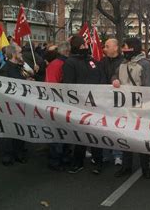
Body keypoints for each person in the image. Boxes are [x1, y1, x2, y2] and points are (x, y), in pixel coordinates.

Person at [112, 37, 150, 179]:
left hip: (140, 109)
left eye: (126, 47)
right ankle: (126, 166)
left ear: (133, 48)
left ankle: (145, 167)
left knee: (142, 139)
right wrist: (114, 80)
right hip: (125, 108)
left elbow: (149, 88)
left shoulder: (145, 65)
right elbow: (114, 75)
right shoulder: (122, 64)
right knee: (126, 138)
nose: (124, 50)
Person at [63, 36, 105, 175]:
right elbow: (69, 84)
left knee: (95, 134)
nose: (86, 46)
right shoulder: (70, 63)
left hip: (95, 104)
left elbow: (101, 77)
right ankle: (78, 162)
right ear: (78, 46)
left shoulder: (92, 60)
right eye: (84, 45)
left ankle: (98, 161)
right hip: (80, 106)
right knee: (80, 135)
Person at [0, 44, 30, 166]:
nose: (22, 54)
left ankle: (19, 153)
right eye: (20, 52)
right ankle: (7, 156)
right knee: (9, 131)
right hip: (10, 106)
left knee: (21, 130)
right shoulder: (5, 70)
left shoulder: (19, 67)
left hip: (21, 105)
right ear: (13, 54)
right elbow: (5, 90)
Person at [45, 42, 71, 171]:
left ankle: (60, 159)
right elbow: (52, 85)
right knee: (59, 134)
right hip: (60, 104)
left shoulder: (54, 64)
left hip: (59, 104)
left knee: (60, 133)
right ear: (67, 51)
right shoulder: (60, 64)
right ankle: (57, 160)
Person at [99, 38, 124, 166]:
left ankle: (118, 154)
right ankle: (105, 154)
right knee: (105, 127)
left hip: (118, 101)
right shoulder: (102, 61)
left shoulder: (123, 62)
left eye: (107, 46)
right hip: (105, 99)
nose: (105, 48)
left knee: (117, 128)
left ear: (115, 47)